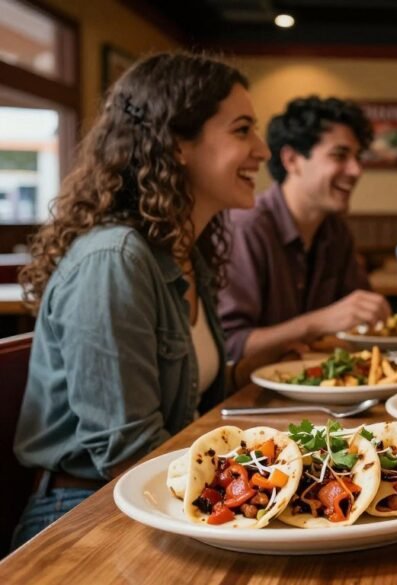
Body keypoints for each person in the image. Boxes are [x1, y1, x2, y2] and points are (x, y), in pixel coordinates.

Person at [12, 52, 270, 548]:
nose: (262, 149)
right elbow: (127, 453)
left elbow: (191, 405)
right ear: (177, 144)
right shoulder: (115, 259)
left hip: (156, 490)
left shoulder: (184, 250)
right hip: (82, 514)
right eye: (243, 130)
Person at [218, 96, 390, 361]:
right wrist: (317, 323)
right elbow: (228, 346)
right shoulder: (246, 227)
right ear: (292, 160)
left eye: (357, 157)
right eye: (340, 155)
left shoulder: (335, 230)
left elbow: (360, 321)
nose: (357, 170)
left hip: (318, 381)